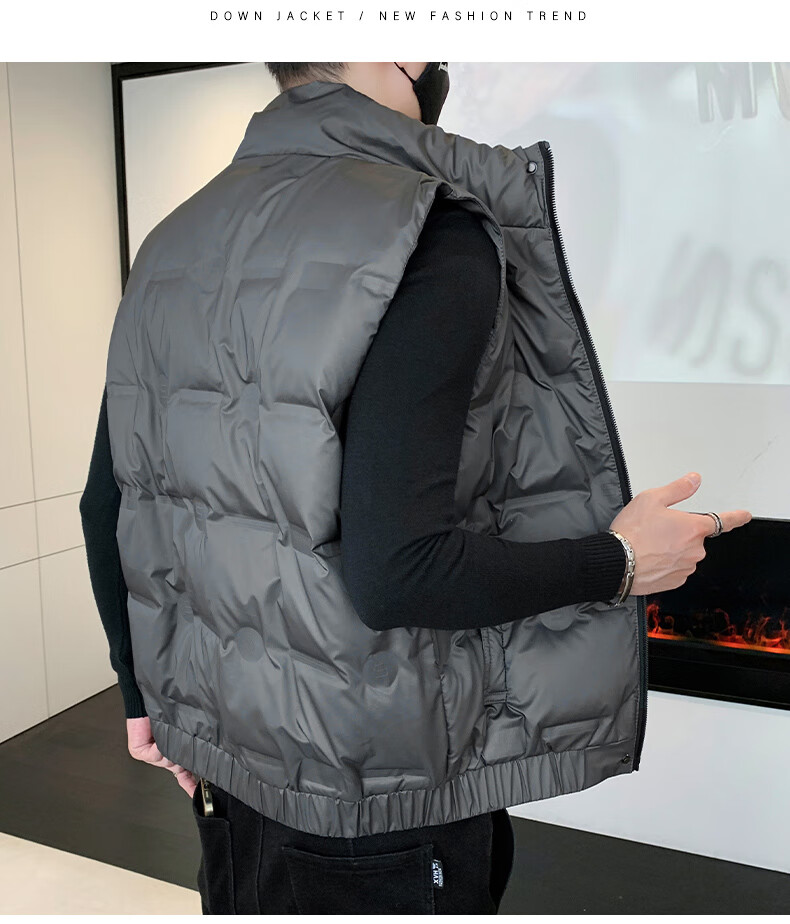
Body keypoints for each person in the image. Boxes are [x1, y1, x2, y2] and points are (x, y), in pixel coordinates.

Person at [79, 62, 752, 914]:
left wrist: (143, 700)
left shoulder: (174, 237)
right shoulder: (422, 227)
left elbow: (108, 503)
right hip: (378, 789)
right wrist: (619, 562)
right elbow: (399, 571)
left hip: (229, 767)